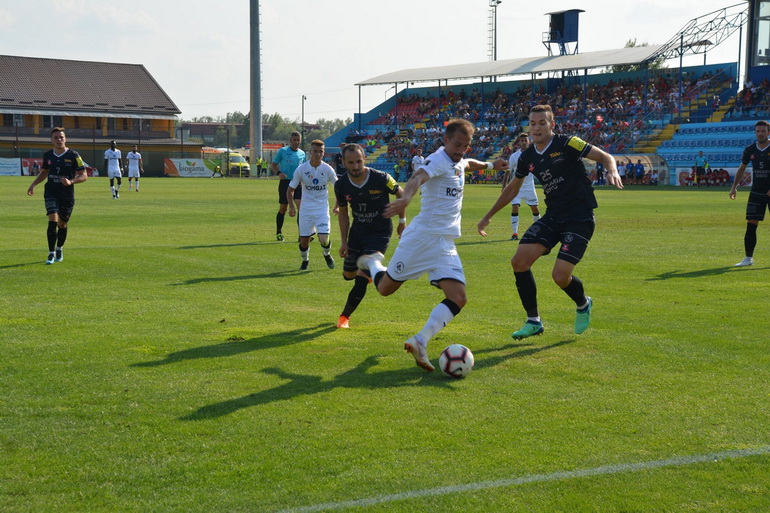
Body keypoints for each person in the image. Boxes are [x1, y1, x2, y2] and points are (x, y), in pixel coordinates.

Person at [357, 118, 508, 372]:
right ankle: (373, 263)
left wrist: (491, 164)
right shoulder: (437, 160)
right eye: (457, 144)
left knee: (458, 298)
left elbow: (467, 164)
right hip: (422, 239)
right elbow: (418, 177)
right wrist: (406, 197)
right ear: (445, 140)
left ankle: (420, 340)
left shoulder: (458, 159)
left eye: (466, 145)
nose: (461, 149)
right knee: (384, 289)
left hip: (444, 242)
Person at [477, 104, 623, 340]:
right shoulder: (527, 157)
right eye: (532, 123)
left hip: (579, 216)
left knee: (560, 276)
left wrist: (611, 170)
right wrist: (488, 216)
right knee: (519, 261)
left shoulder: (568, 143)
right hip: (554, 216)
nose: (536, 128)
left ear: (552, 124)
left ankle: (583, 303)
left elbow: (604, 156)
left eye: (542, 123)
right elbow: (513, 188)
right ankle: (533, 321)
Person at [334, 143, 404, 329]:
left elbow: (401, 194)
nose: (355, 166)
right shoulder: (341, 185)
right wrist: (343, 241)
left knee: (360, 280)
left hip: (379, 233)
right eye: (351, 162)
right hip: (357, 232)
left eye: (358, 161)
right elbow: (343, 212)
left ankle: (344, 318)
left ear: (364, 158)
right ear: (343, 163)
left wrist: (402, 222)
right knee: (348, 275)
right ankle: (371, 270)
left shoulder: (381, 178)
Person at [26, 127, 88, 264]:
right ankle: (51, 253)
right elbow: (44, 172)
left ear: (65, 139)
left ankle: (59, 248)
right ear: (51, 140)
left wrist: (71, 181)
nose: (59, 140)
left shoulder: (74, 156)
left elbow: (84, 175)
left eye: (61, 137)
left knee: (62, 224)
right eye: (56, 138)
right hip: (51, 191)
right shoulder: (48, 155)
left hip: (66, 194)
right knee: (52, 220)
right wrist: (33, 184)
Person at [287, 140, 337, 270]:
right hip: (306, 210)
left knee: (324, 238)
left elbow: (339, 189)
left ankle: (327, 254)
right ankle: (305, 261)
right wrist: (292, 207)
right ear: (310, 152)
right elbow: (290, 190)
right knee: (304, 241)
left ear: (323, 153)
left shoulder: (328, 169)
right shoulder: (302, 169)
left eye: (321, 151)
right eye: (315, 151)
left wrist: (337, 206)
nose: (318, 154)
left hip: (322, 209)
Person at [729, 120, 770, 267]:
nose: (760, 134)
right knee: (751, 225)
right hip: (756, 192)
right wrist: (734, 186)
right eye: (758, 131)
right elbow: (742, 168)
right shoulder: (750, 149)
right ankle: (748, 258)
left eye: (763, 131)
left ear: (768, 132)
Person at [502, 133, 540, 240]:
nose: (523, 143)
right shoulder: (514, 156)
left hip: (529, 187)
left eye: (525, 141)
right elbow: (508, 172)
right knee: (515, 207)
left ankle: (539, 231)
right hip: (516, 186)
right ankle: (515, 233)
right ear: (519, 143)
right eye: (522, 141)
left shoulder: (534, 155)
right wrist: (504, 187)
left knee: (535, 209)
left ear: (529, 142)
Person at [272, 131, 306, 241]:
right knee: (283, 208)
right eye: (294, 140)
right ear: (290, 141)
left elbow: (304, 169)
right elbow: (273, 165)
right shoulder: (283, 151)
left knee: (301, 209)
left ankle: (302, 235)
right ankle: (278, 232)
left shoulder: (302, 153)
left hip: (298, 183)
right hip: (285, 183)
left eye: (298, 140)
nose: (296, 142)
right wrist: (279, 173)